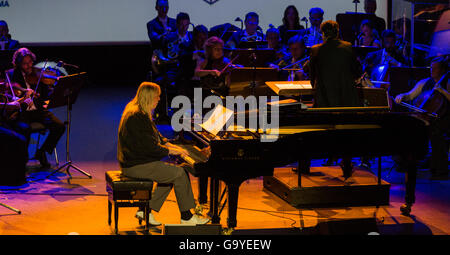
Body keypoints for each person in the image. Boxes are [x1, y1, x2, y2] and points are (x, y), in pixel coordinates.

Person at [117, 82, 210, 225]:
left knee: (177, 172)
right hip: (135, 165)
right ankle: (187, 218)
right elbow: (149, 148)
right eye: (157, 96)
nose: (159, 99)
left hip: (138, 161)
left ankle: (145, 211)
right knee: (178, 174)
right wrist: (171, 150)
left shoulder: (140, 112)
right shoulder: (137, 116)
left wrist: (174, 147)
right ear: (149, 97)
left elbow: (158, 138)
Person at [309, 20, 363, 178]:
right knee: (346, 133)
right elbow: (357, 71)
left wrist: (317, 90)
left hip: (325, 98)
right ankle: (346, 165)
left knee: (323, 132)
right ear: (337, 31)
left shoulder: (316, 50)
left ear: (322, 33)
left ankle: (312, 162)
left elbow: (312, 77)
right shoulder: (348, 47)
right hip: (347, 97)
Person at [5, 48, 65, 169]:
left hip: (38, 110)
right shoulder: (11, 74)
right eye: (25, 64)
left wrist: (52, 95)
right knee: (24, 129)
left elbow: (46, 93)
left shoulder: (38, 73)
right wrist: (22, 95)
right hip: (21, 112)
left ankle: (41, 152)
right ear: (18, 64)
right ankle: (22, 160)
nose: (29, 66)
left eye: (30, 62)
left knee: (59, 126)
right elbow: (10, 94)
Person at [395, 57, 449, 179]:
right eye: (431, 68)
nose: (432, 70)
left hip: (443, 118)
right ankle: (404, 162)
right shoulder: (425, 82)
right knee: (404, 126)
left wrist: (442, 91)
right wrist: (401, 96)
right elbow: (409, 95)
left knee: (436, 132)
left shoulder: (447, 82)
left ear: (443, 70)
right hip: (426, 117)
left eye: (435, 68)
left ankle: (440, 171)